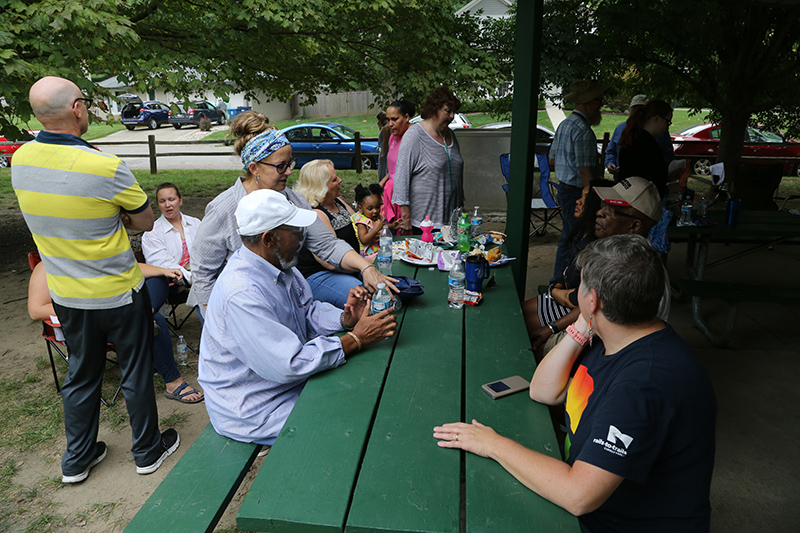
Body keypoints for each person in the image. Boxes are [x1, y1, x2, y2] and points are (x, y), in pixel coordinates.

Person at [435, 234, 717, 531]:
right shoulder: (620, 335)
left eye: (580, 286)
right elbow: (542, 391)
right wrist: (584, 321)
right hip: (597, 501)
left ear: (593, 298)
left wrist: (493, 444)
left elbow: (578, 495)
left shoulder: (644, 383)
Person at [11, 76, 178, 483]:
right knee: (135, 372)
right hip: (119, 293)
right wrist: (114, 214)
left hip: (67, 295)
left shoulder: (20, 159)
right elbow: (144, 219)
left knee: (81, 375)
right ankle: (147, 452)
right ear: (77, 109)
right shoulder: (104, 164)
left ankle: (77, 460)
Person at [198, 189, 398, 445]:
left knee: (367, 393)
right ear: (269, 239)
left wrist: (344, 319)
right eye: (296, 231)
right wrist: (355, 339)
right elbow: (288, 364)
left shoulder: (279, 265)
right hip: (256, 407)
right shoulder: (241, 293)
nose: (303, 238)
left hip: (281, 384)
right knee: (354, 422)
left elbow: (306, 311)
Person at [186, 111, 396, 321]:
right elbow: (202, 271)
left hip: (276, 298)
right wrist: (216, 316)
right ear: (254, 168)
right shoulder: (223, 208)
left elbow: (327, 244)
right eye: (280, 166)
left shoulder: (293, 200)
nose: (288, 172)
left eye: (290, 163)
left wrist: (365, 267)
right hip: (232, 306)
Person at [526, 177, 668, 354]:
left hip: (604, 347)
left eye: (612, 210)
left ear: (634, 226)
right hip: (588, 330)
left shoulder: (633, 269)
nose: (600, 212)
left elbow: (594, 320)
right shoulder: (615, 253)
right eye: (604, 205)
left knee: (527, 347)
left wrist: (551, 330)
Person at [28, 261, 204, 404]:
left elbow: (130, 268)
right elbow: (36, 310)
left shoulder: (91, 254)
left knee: (159, 279)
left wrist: (164, 271)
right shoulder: (45, 267)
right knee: (152, 322)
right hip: (90, 325)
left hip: (121, 311)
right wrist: (92, 311)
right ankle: (173, 383)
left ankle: (140, 315)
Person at [523, 179, 613, 356]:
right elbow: (563, 271)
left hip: (571, 311)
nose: (578, 201)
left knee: (518, 327)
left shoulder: (596, 248)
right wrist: (557, 289)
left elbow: (578, 302)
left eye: (585, 198)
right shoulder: (580, 231)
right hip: (560, 298)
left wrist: (552, 326)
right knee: (515, 313)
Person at [549, 79, 607, 284]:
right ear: (588, 102)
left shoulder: (564, 124)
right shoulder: (582, 130)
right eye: (599, 101)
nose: (601, 105)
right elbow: (585, 171)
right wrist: (591, 197)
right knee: (575, 238)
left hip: (565, 188)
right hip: (577, 191)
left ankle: (560, 281)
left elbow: (552, 158)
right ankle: (563, 282)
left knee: (568, 236)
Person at [393, 86, 464, 232]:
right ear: (434, 109)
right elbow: (401, 177)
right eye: (447, 111)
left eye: (453, 112)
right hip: (425, 224)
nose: (452, 116)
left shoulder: (450, 135)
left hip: (452, 221)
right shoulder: (415, 135)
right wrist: (405, 218)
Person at [293, 159, 362, 307]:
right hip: (320, 274)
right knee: (360, 295)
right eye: (334, 179)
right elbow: (330, 262)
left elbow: (359, 223)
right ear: (321, 186)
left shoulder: (338, 201)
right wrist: (366, 264)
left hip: (349, 266)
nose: (340, 180)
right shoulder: (316, 213)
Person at [141, 182, 201, 319]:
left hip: (199, 276)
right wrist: (191, 279)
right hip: (170, 283)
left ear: (180, 201)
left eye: (171, 199)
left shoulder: (196, 223)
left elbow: (208, 252)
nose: (167, 205)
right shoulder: (153, 232)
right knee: (202, 290)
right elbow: (162, 264)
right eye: (162, 201)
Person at [604, 95, 673, 176]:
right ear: (630, 110)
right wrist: (610, 163)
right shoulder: (621, 129)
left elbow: (667, 155)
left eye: (641, 109)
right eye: (635, 109)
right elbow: (611, 151)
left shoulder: (660, 133)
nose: (637, 113)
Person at [617, 99, 674, 198]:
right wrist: (670, 189)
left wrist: (668, 178)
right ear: (656, 118)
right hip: (639, 202)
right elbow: (647, 182)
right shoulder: (647, 145)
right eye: (667, 122)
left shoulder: (635, 138)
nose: (667, 127)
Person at [379, 100, 415, 231]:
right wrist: (383, 181)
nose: (390, 124)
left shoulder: (413, 137)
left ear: (406, 117)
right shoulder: (392, 137)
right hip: (391, 192)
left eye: (394, 119)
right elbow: (394, 167)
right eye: (388, 120)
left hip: (407, 196)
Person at [351, 183, 399, 256]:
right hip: (367, 253)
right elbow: (364, 240)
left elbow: (381, 225)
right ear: (360, 208)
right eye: (370, 209)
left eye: (377, 207)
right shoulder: (361, 222)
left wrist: (392, 226)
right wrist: (375, 229)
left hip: (379, 248)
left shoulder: (376, 217)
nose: (375, 211)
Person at [376, 110, 390, 181]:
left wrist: (383, 153)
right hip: (384, 149)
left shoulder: (385, 128)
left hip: (385, 150)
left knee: (383, 168)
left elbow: (385, 141)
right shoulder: (385, 127)